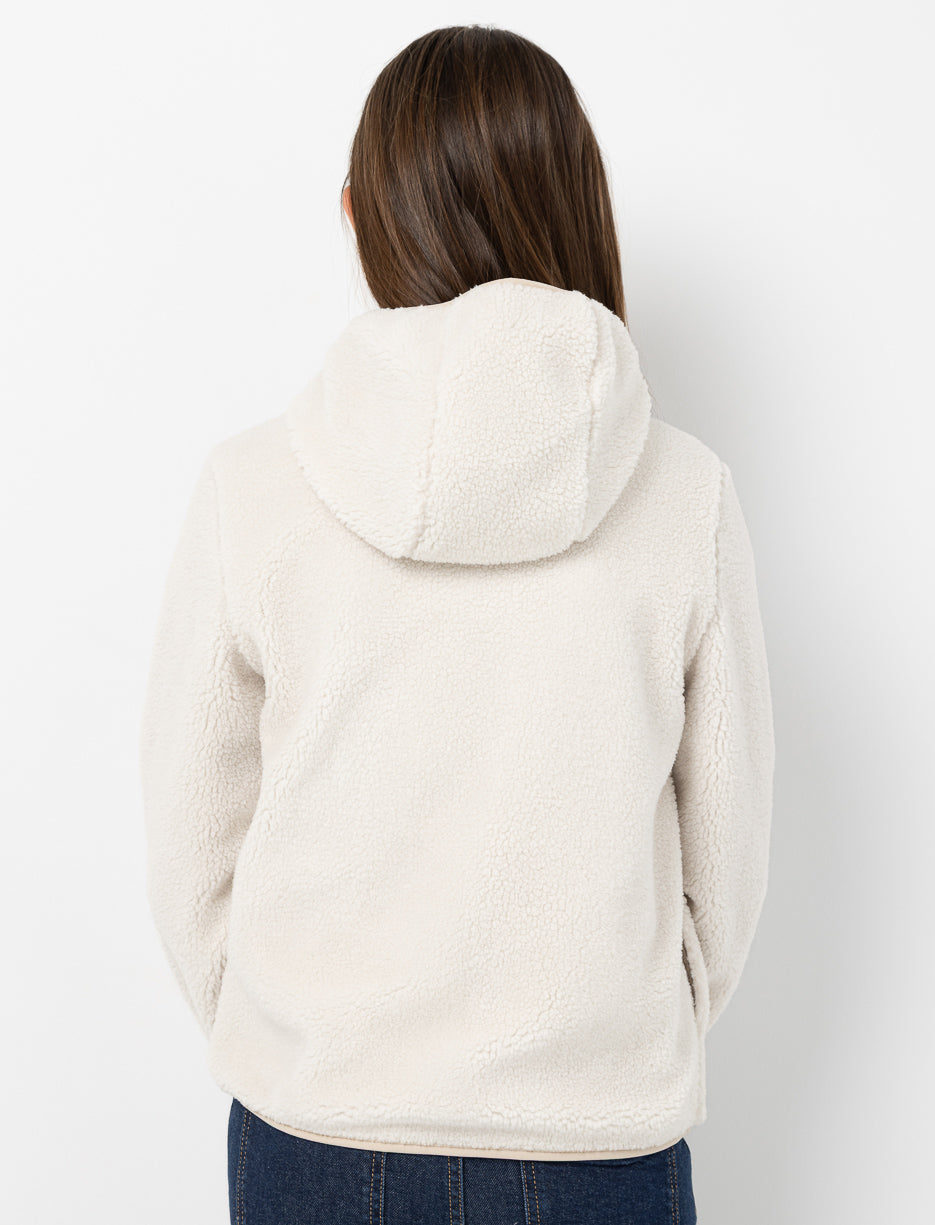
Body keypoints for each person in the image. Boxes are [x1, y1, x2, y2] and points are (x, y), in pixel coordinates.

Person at [139, 24, 775, 1225]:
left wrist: (297, 1034)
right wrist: (621, 1032)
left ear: (357, 214)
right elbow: (727, 852)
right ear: (575, 204)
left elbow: (188, 836)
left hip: (316, 1131)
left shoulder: (254, 489)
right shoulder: (685, 496)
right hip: (598, 1138)